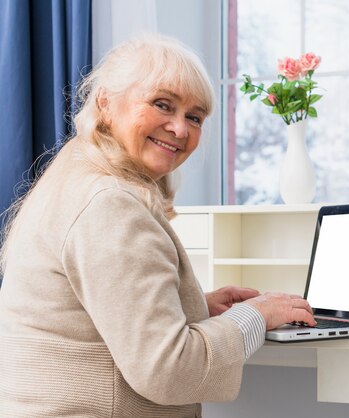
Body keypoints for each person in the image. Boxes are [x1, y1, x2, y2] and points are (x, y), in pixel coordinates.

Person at [0, 34, 316, 417]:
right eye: (162, 105)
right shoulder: (110, 204)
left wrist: (194, 308)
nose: (180, 129)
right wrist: (257, 314)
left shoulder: (76, 173)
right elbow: (169, 371)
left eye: (194, 117)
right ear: (105, 103)